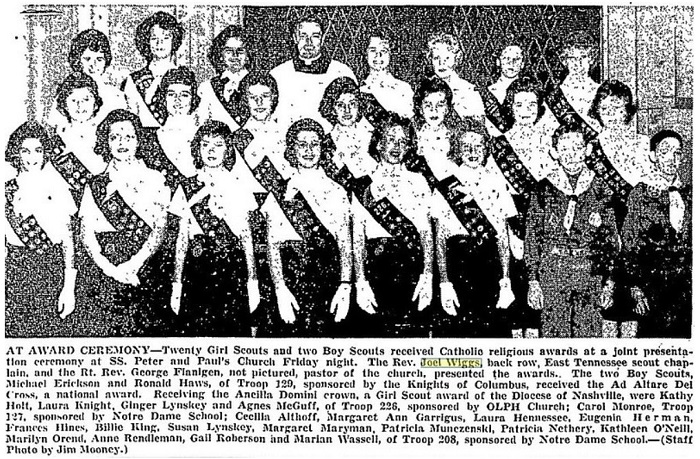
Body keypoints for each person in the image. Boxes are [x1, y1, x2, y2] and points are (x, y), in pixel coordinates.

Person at [78, 109, 177, 336]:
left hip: (148, 266)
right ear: (106, 141)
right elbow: (87, 234)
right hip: (105, 268)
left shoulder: (156, 178)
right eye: (114, 137)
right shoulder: (95, 184)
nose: (121, 143)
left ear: (139, 141)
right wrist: (110, 269)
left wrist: (133, 265)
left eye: (128, 137)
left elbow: (159, 229)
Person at [260, 119, 352, 336]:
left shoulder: (337, 191)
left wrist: (345, 285)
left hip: (328, 281)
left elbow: (344, 243)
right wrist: (280, 288)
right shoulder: (281, 192)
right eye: (302, 144)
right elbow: (274, 246)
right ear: (292, 149)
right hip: (290, 280)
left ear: (323, 148)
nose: (309, 150)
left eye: (315, 144)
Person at [525, 125, 618, 338]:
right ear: (554, 152)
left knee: (588, 334)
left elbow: (611, 241)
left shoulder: (601, 189)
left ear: (587, 150)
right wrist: (533, 281)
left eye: (577, 148)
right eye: (564, 149)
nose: (571, 155)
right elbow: (532, 237)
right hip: (553, 269)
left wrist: (609, 283)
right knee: (554, 335)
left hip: (589, 271)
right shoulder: (543, 188)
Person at [170, 121, 262, 336]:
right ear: (197, 149)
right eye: (205, 145)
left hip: (232, 268)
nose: (211, 150)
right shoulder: (187, 187)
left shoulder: (240, 186)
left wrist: (253, 281)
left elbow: (246, 238)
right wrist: (176, 283)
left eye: (218, 145)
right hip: (197, 270)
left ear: (228, 149)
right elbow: (182, 239)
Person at [434, 124, 517, 337]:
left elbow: (502, 236)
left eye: (478, 146)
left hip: (489, 266)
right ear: (457, 150)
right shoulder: (446, 185)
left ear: (486, 148)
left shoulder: (497, 183)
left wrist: (505, 281)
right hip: (457, 265)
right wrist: (444, 282)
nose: (472, 152)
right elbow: (440, 239)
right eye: (466, 146)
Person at [356, 113, 434, 337]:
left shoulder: (418, 181)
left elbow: (425, 232)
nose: (396, 146)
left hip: (411, 267)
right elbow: (358, 237)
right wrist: (361, 282)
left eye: (403, 141)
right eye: (390, 139)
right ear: (379, 143)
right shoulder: (364, 184)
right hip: (376, 267)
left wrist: (427, 275)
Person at [491, 76, 558, 338]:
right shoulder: (499, 144)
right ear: (511, 107)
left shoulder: (549, 142)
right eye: (520, 105)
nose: (526, 111)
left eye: (532, 105)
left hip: (541, 215)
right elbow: (496, 190)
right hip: (511, 216)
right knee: (516, 274)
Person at [5, 121, 78, 337]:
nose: (32, 157)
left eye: (38, 150)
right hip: (17, 267)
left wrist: (68, 287)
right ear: (16, 153)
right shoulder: (7, 189)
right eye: (25, 151)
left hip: (51, 266)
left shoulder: (57, 186)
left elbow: (67, 241)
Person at [622, 130, 691, 338]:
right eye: (665, 152)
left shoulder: (690, 192)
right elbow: (630, 243)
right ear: (653, 155)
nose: (671, 158)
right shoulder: (640, 194)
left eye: (677, 153)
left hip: (686, 286)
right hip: (652, 286)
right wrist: (635, 287)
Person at [270, 17, 356, 131]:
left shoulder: (342, 72)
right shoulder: (278, 74)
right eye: (303, 36)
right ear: (295, 38)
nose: (308, 42)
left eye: (315, 36)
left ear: (323, 38)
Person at [48, 29, 127, 130]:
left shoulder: (116, 96)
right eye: (87, 59)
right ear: (77, 60)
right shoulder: (66, 93)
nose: (93, 65)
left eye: (99, 59)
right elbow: (57, 127)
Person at [141, 66, 201, 197]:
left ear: (193, 99)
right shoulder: (149, 139)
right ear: (163, 98)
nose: (177, 100)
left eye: (184, 95)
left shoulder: (204, 136)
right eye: (171, 94)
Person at [51, 72, 108, 202]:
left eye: (86, 99)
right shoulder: (59, 139)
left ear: (96, 103)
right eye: (74, 100)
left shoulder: (106, 134)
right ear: (64, 104)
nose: (80, 105)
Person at [122, 12, 184, 128]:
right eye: (154, 38)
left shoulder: (184, 76)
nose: (159, 43)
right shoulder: (133, 80)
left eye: (165, 38)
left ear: (174, 40)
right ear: (147, 42)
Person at [318, 76, 379, 191]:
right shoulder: (327, 144)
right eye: (340, 105)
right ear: (332, 108)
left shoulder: (373, 136)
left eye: (352, 104)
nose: (347, 110)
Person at [542, 31, 601, 141]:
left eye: (583, 57)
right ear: (565, 61)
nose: (577, 63)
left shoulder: (600, 91)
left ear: (591, 59)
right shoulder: (554, 95)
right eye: (572, 58)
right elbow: (548, 130)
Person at [198, 25, 250, 130]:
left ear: (248, 55)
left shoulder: (259, 84)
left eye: (240, 51)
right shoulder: (207, 88)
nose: (235, 56)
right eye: (229, 51)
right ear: (221, 55)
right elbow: (201, 123)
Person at [425, 32, 484, 123]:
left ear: (456, 59)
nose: (441, 64)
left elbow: (478, 125)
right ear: (430, 60)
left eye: (447, 58)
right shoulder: (424, 89)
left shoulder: (468, 91)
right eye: (436, 58)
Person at [360, 30, 414, 119]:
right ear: (365, 54)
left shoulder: (403, 89)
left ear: (391, 54)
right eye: (373, 50)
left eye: (383, 51)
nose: (378, 55)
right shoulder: (361, 89)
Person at [481, 44, 525, 136]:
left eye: (516, 59)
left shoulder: (529, 94)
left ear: (522, 64)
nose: (511, 63)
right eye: (506, 58)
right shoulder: (487, 93)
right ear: (498, 62)